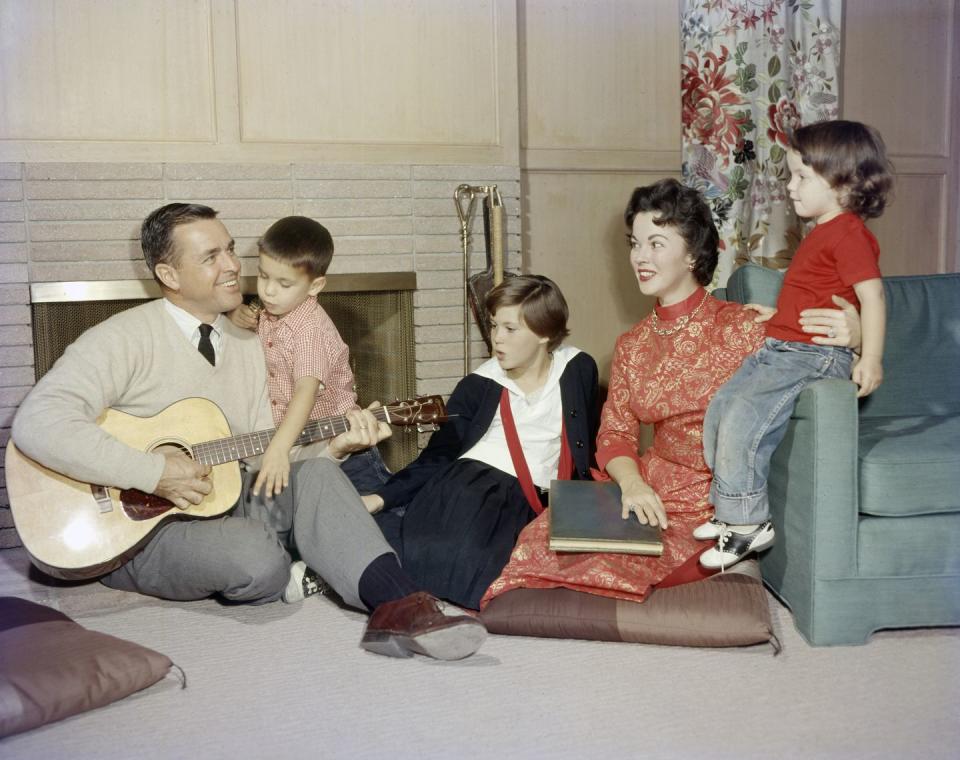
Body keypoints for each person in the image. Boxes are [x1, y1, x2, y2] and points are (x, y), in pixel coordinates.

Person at [10, 203, 486, 661]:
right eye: (211, 257)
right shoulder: (121, 338)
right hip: (135, 530)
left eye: (232, 249)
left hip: (226, 494)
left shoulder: (248, 339)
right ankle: (303, 557)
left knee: (320, 477)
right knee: (256, 561)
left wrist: (337, 447)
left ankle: (402, 608)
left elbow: (264, 452)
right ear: (169, 275)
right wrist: (152, 471)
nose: (235, 266)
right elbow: (38, 421)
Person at [481, 178, 861, 608]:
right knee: (539, 544)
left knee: (611, 569)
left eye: (656, 244)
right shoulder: (632, 344)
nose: (640, 258)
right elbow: (615, 435)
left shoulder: (744, 326)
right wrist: (633, 485)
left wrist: (856, 335)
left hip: (713, 499)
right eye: (635, 243)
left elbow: (820, 365)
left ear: (694, 253)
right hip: (646, 486)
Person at [698, 120, 892, 570]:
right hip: (785, 347)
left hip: (814, 355)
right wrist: (779, 317)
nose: (790, 187)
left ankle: (748, 523)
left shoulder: (849, 233)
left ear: (844, 182)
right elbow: (815, 290)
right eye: (791, 175)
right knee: (722, 408)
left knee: (746, 416)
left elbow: (872, 296)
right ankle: (730, 510)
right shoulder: (822, 231)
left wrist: (872, 356)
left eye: (802, 177)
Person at [364, 275, 599, 610]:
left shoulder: (578, 369)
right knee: (462, 576)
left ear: (545, 333)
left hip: (539, 499)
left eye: (510, 329)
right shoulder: (479, 385)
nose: (496, 340)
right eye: (493, 327)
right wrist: (381, 497)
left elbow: (591, 439)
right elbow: (439, 455)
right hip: (470, 491)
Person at [228, 215, 390, 499]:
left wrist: (278, 449)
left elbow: (306, 391)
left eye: (284, 283)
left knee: (371, 521)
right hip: (301, 441)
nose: (268, 290)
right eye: (263, 275)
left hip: (344, 449)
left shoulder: (310, 329)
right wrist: (235, 314)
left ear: (315, 286)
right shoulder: (274, 309)